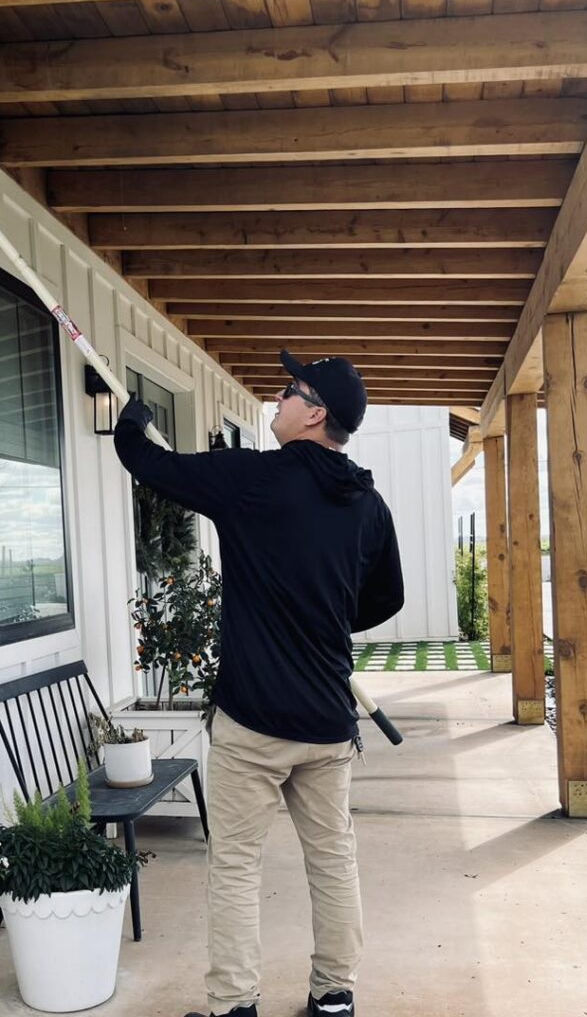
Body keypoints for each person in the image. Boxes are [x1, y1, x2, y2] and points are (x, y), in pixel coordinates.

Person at [113, 351, 404, 1017]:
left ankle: (234, 1005)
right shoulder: (368, 504)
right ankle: (334, 998)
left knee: (237, 864)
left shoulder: (252, 480)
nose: (278, 397)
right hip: (327, 721)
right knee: (332, 859)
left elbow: (152, 465)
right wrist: (327, 613)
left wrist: (130, 420)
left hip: (253, 724)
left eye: (290, 389)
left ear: (316, 413)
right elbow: (387, 597)